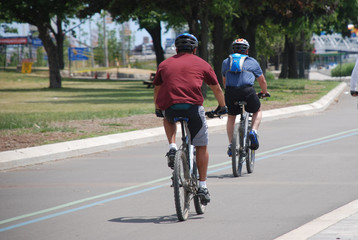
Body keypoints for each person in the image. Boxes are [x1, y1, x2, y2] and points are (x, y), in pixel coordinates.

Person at [153, 33, 227, 205]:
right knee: (201, 145)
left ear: (176, 49)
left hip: (171, 107)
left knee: (167, 116)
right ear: (195, 49)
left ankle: (172, 147)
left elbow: (157, 87)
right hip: (193, 109)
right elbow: (216, 88)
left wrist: (158, 107)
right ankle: (202, 186)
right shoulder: (202, 63)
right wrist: (222, 107)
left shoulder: (164, 64)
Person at [221, 38, 269, 156]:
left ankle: (231, 144)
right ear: (247, 51)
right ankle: (253, 131)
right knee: (257, 109)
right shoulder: (252, 61)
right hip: (247, 91)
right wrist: (264, 92)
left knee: (231, 116)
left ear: (233, 50)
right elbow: (262, 80)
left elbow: (224, 81)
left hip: (230, 92)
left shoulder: (226, 62)